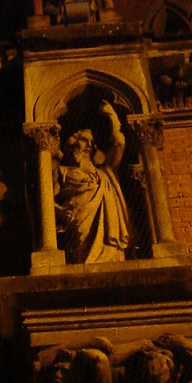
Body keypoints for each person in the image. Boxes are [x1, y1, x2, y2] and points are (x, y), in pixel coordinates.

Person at [53, 101, 130, 264]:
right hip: (78, 221)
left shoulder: (104, 171)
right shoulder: (62, 171)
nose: (89, 145)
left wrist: (113, 118)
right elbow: (46, 199)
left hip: (107, 230)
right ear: (72, 143)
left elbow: (119, 144)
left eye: (92, 142)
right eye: (84, 140)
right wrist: (60, 212)